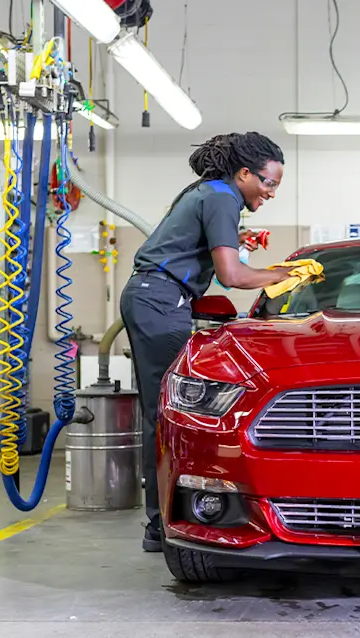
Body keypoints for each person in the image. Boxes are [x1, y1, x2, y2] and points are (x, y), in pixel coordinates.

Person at [119, 132, 293, 552]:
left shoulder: (211, 192)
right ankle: (160, 525)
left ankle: (161, 522)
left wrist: (244, 249)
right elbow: (232, 277)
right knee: (164, 414)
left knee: (162, 412)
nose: (270, 193)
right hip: (158, 300)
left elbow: (209, 258)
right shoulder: (222, 198)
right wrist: (284, 276)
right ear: (245, 173)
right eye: (268, 183)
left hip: (158, 298)